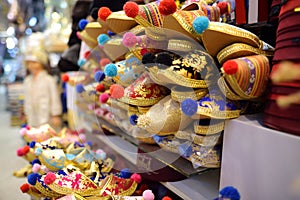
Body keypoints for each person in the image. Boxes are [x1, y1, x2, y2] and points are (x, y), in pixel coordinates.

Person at [23, 49, 62, 128]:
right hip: (32, 116)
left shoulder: (49, 80)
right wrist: (26, 112)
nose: (31, 65)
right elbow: (27, 98)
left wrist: (55, 114)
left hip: (47, 116)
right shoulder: (27, 80)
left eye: (34, 62)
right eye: (28, 63)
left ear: (42, 63)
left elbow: (55, 98)